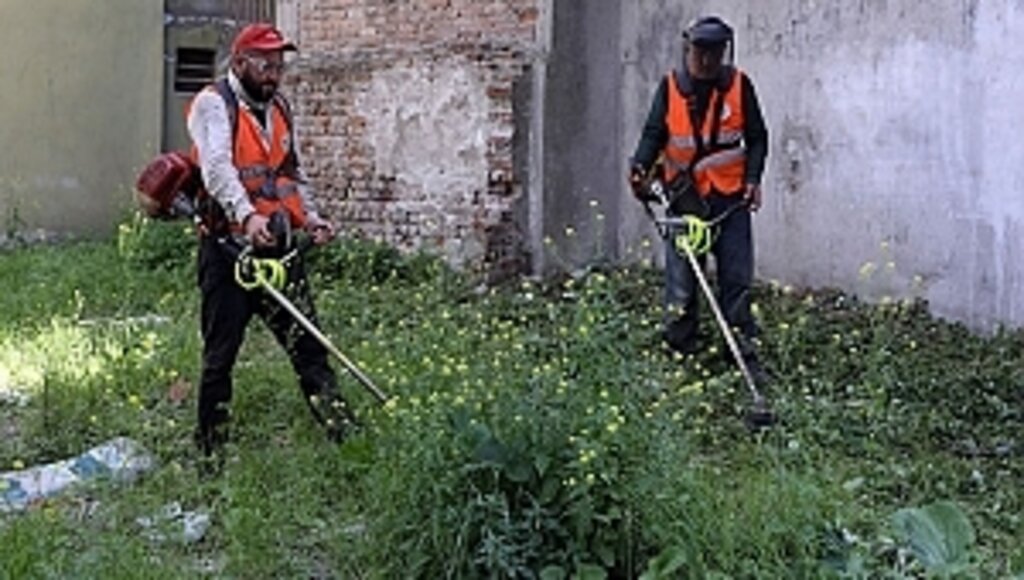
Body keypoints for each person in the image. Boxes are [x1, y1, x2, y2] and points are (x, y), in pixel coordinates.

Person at [186, 23, 354, 457]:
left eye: (279, 65)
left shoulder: (278, 106)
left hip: (280, 249)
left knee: (310, 348)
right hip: (229, 253)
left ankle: (348, 442)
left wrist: (312, 218)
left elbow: (290, 173)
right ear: (239, 62)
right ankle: (210, 456)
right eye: (265, 64)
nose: (274, 73)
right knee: (220, 358)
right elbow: (218, 168)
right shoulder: (213, 104)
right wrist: (246, 216)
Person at [628, 15, 769, 381]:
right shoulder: (671, 88)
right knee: (682, 282)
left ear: (725, 52)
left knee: (736, 280)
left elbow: (757, 138)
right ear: (687, 50)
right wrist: (640, 166)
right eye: (699, 51)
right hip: (683, 200)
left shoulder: (740, 86)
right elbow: (653, 134)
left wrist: (753, 179)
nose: (705, 60)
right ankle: (679, 351)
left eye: (714, 52)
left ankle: (740, 352)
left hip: (731, 201)